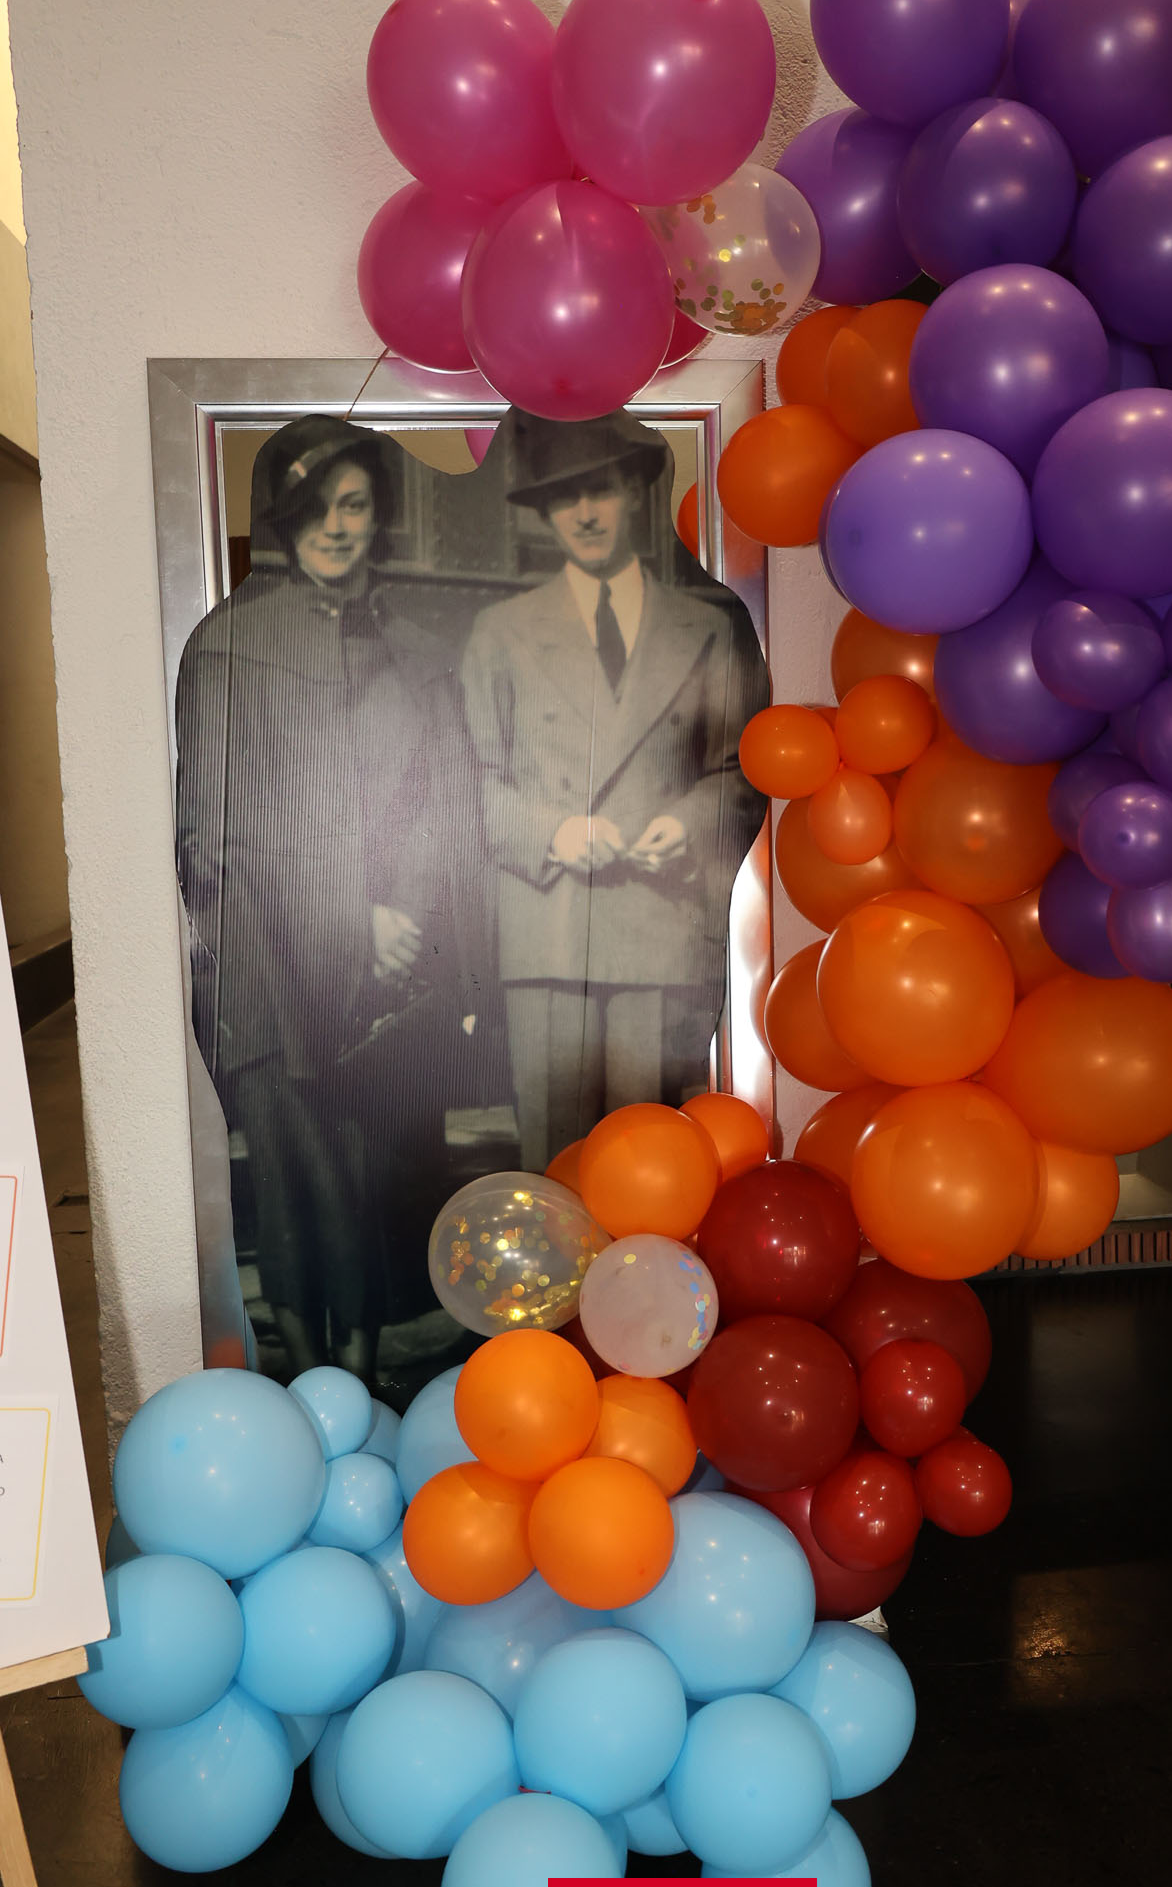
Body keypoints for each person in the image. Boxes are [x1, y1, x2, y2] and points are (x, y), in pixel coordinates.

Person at [175, 416, 489, 1379]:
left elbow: (438, 802)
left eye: (354, 505)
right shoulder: (228, 646)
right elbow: (210, 834)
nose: (336, 527)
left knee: (366, 1176)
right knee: (294, 1181)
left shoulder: (406, 650)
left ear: (378, 517)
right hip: (268, 965)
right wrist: (351, 914)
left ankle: (358, 1373)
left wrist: (403, 916)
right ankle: (309, 1378)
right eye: (316, 508)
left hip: (378, 978)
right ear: (282, 518)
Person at [461, 408, 769, 1172]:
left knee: (649, 1168)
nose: (585, 514)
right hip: (547, 931)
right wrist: (554, 832)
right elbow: (467, 784)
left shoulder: (705, 626)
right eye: (565, 499)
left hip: (658, 927)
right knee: (555, 1166)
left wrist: (689, 824)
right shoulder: (500, 631)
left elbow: (739, 770)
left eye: (599, 490)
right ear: (544, 514)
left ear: (633, 492)